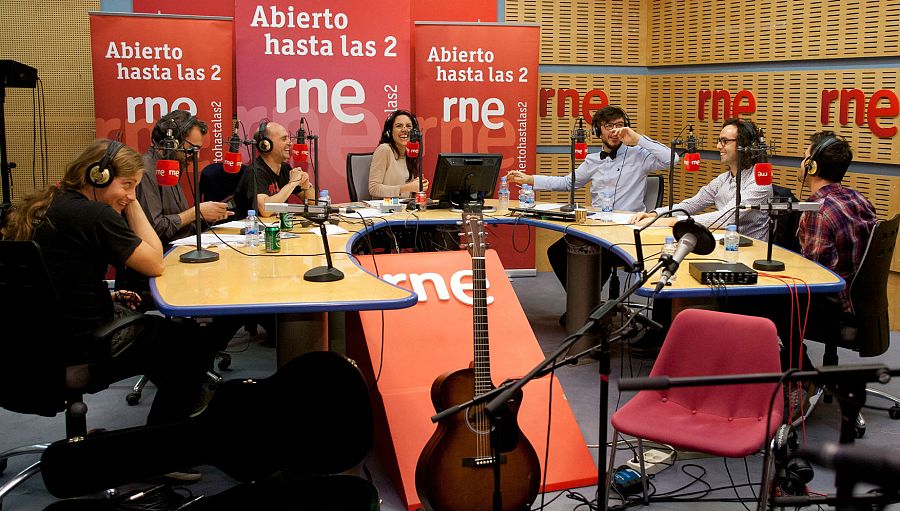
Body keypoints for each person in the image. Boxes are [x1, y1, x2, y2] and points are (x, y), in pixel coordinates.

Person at [1, 139, 214, 427]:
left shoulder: (47, 203)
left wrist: (106, 297)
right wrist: (134, 203)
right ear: (96, 176)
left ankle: (175, 416)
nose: (130, 194)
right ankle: (160, 453)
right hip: (81, 348)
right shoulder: (94, 214)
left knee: (167, 348)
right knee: (188, 341)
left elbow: (54, 280)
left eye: (135, 188)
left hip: (28, 347)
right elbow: (155, 261)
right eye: (127, 184)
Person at [507, 105, 671, 319]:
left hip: (626, 230)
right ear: (598, 130)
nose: (615, 131)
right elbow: (568, 183)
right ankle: (586, 304)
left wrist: (638, 139)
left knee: (596, 257)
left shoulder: (640, 155)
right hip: (596, 226)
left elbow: (672, 159)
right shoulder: (593, 160)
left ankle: (588, 310)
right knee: (557, 252)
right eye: (609, 126)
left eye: (620, 126)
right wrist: (530, 179)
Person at [630, 118, 772, 239]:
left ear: (745, 145)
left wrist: (674, 222)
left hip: (751, 252)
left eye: (724, 141)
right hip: (726, 245)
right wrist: (655, 214)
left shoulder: (760, 182)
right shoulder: (723, 179)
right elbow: (692, 204)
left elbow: (726, 218)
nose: (718, 146)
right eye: (719, 141)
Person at [137, 110, 232, 246]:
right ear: (172, 143)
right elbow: (155, 228)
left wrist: (207, 217)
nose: (196, 157)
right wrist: (195, 213)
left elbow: (181, 225)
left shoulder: (173, 167)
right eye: (191, 150)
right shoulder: (145, 170)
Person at [240, 120, 315, 216]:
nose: (290, 143)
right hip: (250, 228)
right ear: (265, 145)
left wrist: (306, 185)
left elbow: (312, 203)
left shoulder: (285, 168)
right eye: (284, 139)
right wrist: (292, 183)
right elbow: (265, 210)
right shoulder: (255, 171)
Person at [368, 109, 429, 199]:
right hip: (385, 209)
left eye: (409, 126)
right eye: (399, 126)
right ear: (389, 132)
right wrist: (407, 187)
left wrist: (418, 186)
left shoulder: (411, 152)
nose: (404, 130)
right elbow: (373, 189)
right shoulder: (384, 150)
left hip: (404, 208)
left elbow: (407, 193)